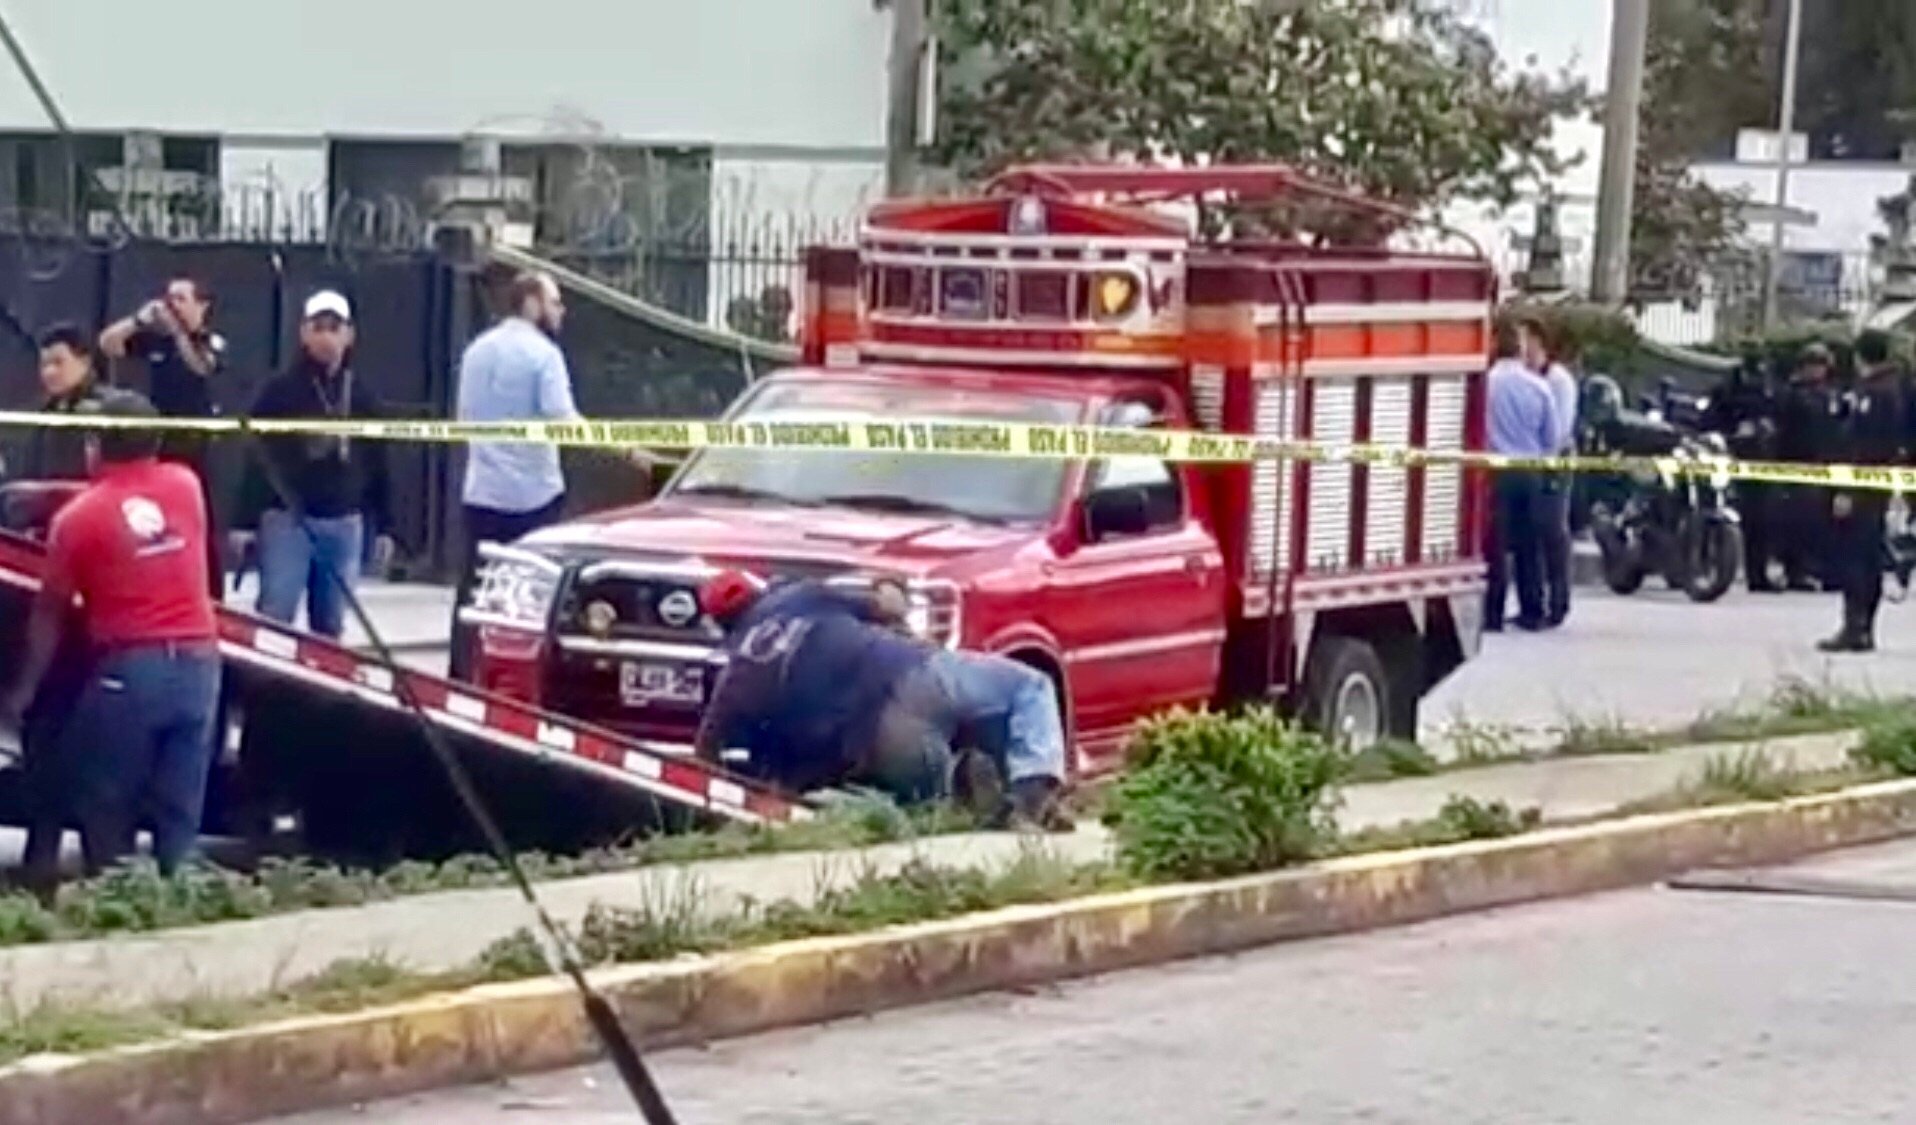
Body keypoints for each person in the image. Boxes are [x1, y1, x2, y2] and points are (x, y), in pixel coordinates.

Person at [1, 390, 221, 875]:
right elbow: (132, 496)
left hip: (133, 671)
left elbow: (48, 619)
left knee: (104, 793)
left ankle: (114, 891)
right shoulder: (186, 485)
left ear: (94, 445)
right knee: (178, 807)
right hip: (201, 667)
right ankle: (178, 896)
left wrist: (22, 693)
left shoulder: (76, 523)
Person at [694, 572, 1073, 830]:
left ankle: (956, 788)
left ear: (722, 626)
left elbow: (705, 759)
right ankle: (1031, 794)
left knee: (919, 801)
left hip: (875, 746)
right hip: (913, 676)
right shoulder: (803, 595)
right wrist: (890, 584)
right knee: (1028, 687)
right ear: (759, 591)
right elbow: (890, 606)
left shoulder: (736, 681)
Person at [6, 326, 108, 893]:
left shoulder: (98, 416)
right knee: (45, 736)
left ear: (85, 362)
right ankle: (43, 853)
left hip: (82, 596)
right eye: (44, 364)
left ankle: (81, 856)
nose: (49, 373)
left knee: (70, 735)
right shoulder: (48, 413)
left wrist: (40, 493)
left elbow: (98, 487)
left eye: (58, 363)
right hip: (43, 574)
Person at [449, 271, 580, 678]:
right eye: (555, 302)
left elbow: (463, 417)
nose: (561, 311)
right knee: (531, 596)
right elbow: (562, 418)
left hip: (482, 493)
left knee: (475, 590)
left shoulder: (476, 351)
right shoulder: (544, 355)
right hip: (533, 496)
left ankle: (463, 672)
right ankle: (515, 675)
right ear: (531, 303)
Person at [242, 291, 392, 640]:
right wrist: (245, 521)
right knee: (275, 616)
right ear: (304, 333)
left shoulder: (362, 394)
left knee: (330, 625)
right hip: (288, 516)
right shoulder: (278, 391)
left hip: (343, 520)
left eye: (334, 328)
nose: (326, 337)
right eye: (318, 327)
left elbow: (378, 460)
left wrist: (384, 525)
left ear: (349, 335)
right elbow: (255, 458)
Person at [98, 276, 228, 596]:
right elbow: (108, 344)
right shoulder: (156, 343)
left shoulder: (211, 342)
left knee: (202, 525)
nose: (173, 307)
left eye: (181, 299)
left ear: (202, 306)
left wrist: (179, 332)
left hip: (197, 449)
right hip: (157, 446)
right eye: (169, 299)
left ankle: (210, 592)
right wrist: (139, 320)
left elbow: (201, 367)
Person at [1819, 332, 1906, 653]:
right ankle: (1862, 627)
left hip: (1863, 485)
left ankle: (1855, 626)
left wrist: (1846, 489)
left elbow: (1862, 446)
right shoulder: (1896, 387)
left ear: (1860, 356)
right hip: (1879, 483)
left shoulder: (1875, 393)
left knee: (1856, 557)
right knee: (1867, 556)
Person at [1482, 318, 1559, 633]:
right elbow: (1551, 438)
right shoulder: (1539, 387)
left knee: (1494, 545)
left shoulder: (1486, 384)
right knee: (1530, 545)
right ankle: (1532, 609)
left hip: (1495, 471)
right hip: (1530, 472)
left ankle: (1493, 612)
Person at [1703, 352, 1784, 591]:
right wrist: (1733, 433)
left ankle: (1757, 574)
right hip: (1731, 456)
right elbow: (1711, 420)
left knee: (1760, 518)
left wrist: (1768, 428)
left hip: (1762, 459)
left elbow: (1780, 414)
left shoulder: (1770, 389)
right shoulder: (1728, 390)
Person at [1776, 344, 1843, 591]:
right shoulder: (1792, 394)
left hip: (1825, 463)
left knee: (1824, 521)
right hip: (1799, 463)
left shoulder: (1829, 394)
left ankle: (1824, 570)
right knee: (1799, 521)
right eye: (1814, 365)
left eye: (1822, 365)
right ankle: (1796, 570)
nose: (1818, 371)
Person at [1537, 334, 1580, 627]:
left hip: (1555, 462)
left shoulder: (1558, 381)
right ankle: (1539, 602)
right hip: (1536, 461)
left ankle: (1558, 601)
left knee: (1554, 532)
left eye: (1530, 344)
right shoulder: (1535, 379)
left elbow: (1559, 431)